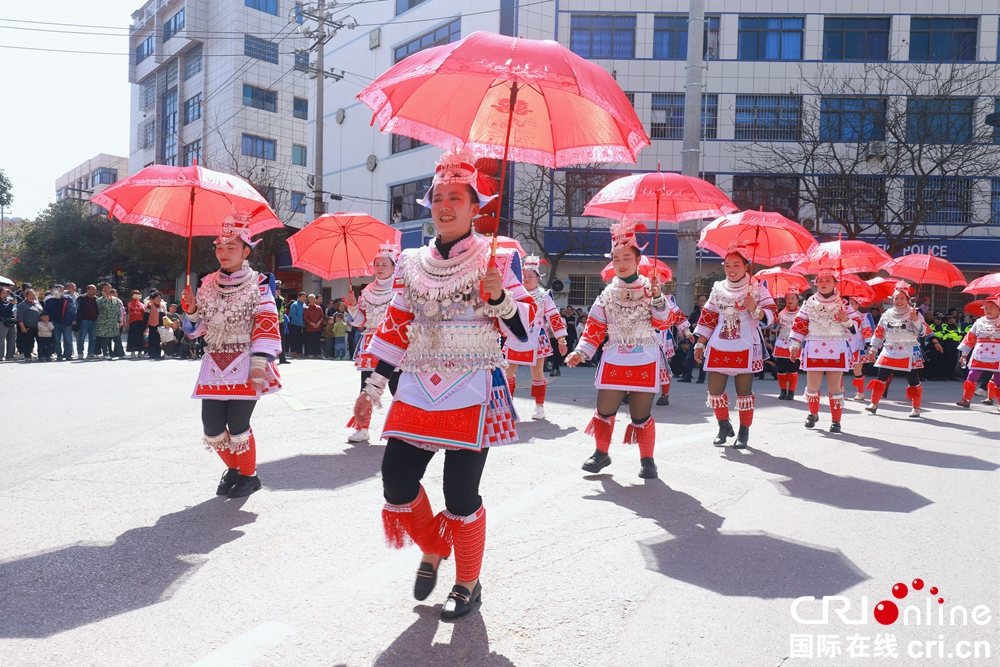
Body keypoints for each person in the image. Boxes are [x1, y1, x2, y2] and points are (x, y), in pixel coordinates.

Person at [351, 148, 534, 620]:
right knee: (395, 483)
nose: (445, 206)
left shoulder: (500, 257)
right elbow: (394, 328)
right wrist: (371, 389)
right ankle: (433, 546)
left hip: (475, 390)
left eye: (457, 197)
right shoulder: (411, 261)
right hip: (416, 388)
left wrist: (500, 298)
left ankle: (468, 584)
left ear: (477, 207)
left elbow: (524, 332)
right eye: (438, 198)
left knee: (460, 495)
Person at [180, 210, 282, 498]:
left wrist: (261, 361)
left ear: (246, 250)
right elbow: (196, 330)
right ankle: (236, 469)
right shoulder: (208, 283)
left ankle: (250, 476)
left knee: (238, 425)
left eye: (231, 247)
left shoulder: (261, 283)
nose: (223, 253)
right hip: (214, 361)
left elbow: (266, 322)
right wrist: (190, 309)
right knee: (212, 427)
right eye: (219, 248)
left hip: (246, 361)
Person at [566, 221, 672, 479]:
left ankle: (648, 460)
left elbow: (664, 322)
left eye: (627, 257)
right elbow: (594, 328)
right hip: (614, 357)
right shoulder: (606, 295)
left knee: (640, 415)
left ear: (638, 259)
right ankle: (601, 453)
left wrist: (658, 298)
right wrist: (580, 351)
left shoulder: (651, 289)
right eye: (616, 258)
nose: (621, 263)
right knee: (604, 409)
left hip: (645, 357)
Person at [693, 244, 777, 449]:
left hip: (746, 345)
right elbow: (709, 316)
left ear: (746, 266)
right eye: (727, 265)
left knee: (744, 392)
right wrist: (700, 343)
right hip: (719, 343)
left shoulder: (757, 287)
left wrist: (754, 308)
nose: (731, 269)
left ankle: (743, 432)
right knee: (714, 390)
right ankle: (723, 426)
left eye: (736, 265)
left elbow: (772, 316)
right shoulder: (718, 287)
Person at [788, 271, 861, 434]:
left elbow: (856, 327)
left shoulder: (844, 304)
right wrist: (795, 344)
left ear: (835, 283)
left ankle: (836, 420)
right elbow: (800, 323)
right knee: (812, 386)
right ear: (816, 283)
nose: (824, 283)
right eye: (821, 280)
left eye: (828, 280)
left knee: (834, 386)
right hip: (813, 347)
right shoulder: (808, 303)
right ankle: (813, 413)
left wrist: (846, 319)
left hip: (837, 348)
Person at [343, 242, 402, 443]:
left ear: (394, 267)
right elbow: (361, 322)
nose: (379, 268)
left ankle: (400, 428)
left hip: (394, 344)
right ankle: (362, 428)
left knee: (397, 388)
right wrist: (352, 307)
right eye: (377, 264)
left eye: (384, 264)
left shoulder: (400, 289)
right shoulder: (366, 291)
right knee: (366, 387)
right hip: (370, 344)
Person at [503, 255, 568, 420]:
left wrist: (561, 340)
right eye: (524, 276)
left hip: (537, 337)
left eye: (530, 276)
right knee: (507, 372)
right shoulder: (514, 294)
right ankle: (507, 404)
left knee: (537, 373)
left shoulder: (545, 296)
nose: (526, 279)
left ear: (538, 278)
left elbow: (554, 317)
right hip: (516, 335)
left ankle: (539, 406)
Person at [865, 282, 931, 418]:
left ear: (908, 300)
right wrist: (873, 348)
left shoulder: (915, 313)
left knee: (912, 379)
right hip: (889, 348)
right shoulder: (887, 314)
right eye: (896, 298)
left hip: (908, 350)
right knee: (881, 376)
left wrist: (916, 321)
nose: (899, 301)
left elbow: (922, 333)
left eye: (902, 298)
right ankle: (874, 403)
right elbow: (879, 332)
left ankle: (916, 407)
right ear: (892, 300)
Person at [956, 294, 1000, 411]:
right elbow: (970, 338)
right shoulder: (979, 322)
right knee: (971, 377)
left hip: (998, 355)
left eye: (992, 308)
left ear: (998, 309)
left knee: (999, 380)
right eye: (986, 308)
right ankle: (966, 399)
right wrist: (964, 354)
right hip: (979, 353)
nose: (988, 310)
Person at [654, 292, 693, 406]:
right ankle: (629, 392)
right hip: (637, 337)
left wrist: (686, 331)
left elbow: (677, 315)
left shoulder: (665, 299)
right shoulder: (634, 294)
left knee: (663, 366)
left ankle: (664, 394)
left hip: (660, 336)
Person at [771, 287, 801, 400]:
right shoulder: (781, 313)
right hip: (782, 342)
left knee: (793, 368)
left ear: (797, 299)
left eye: (793, 298)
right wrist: (775, 323)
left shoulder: (801, 313)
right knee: (781, 369)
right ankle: (783, 391)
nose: (790, 300)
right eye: (788, 298)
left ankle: (791, 392)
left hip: (795, 342)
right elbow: (774, 330)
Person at [849, 299, 876, 400]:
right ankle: (840, 388)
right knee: (839, 370)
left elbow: (867, 331)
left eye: (852, 303)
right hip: (843, 345)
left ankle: (860, 392)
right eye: (848, 303)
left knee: (857, 370)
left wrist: (869, 344)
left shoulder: (863, 317)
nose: (850, 305)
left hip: (858, 345)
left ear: (857, 305)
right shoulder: (841, 316)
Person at [680, 294, 709, 383]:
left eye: (704, 300)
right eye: (701, 300)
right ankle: (687, 376)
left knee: (702, 359)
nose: (702, 302)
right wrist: (693, 325)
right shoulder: (694, 313)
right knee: (690, 357)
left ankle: (701, 378)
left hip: (705, 338)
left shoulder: (709, 313)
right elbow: (688, 325)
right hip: (694, 338)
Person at [43, 284, 77, 361]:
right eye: (58, 289)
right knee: (57, 340)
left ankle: (68, 355)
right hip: (55, 323)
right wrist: (50, 320)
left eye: (61, 289)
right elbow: (47, 311)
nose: (59, 291)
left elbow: (73, 310)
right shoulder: (49, 300)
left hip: (67, 322)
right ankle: (59, 354)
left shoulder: (68, 299)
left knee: (68, 340)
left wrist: (74, 319)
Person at [96, 283, 124, 359]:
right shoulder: (99, 300)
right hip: (104, 323)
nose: (106, 289)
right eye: (105, 288)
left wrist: (119, 321)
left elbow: (118, 311)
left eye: (108, 288)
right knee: (105, 340)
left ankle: (120, 354)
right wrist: (105, 298)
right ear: (102, 289)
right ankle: (106, 353)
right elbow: (102, 307)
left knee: (117, 339)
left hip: (114, 323)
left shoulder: (115, 300)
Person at [76, 284, 100, 358]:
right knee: (81, 338)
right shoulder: (81, 298)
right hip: (85, 320)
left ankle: (91, 353)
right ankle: (80, 353)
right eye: (92, 289)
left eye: (95, 289)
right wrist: (82, 319)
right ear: (87, 290)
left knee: (93, 338)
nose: (94, 291)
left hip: (94, 321)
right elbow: (77, 309)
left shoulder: (97, 299)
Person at [145, 291, 166, 359]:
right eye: (157, 298)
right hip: (153, 325)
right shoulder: (150, 306)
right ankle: (151, 353)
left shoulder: (162, 307)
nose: (159, 299)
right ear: (153, 299)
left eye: (160, 298)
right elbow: (146, 316)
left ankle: (157, 354)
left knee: (158, 340)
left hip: (161, 326)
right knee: (152, 340)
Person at [126, 291, 146, 357]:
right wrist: (134, 300)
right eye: (135, 294)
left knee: (140, 337)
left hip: (141, 322)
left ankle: (140, 351)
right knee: (133, 337)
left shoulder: (142, 304)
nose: (137, 296)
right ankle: (132, 351)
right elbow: (132, 308)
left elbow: (144, 312)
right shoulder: (130, 303)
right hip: (133, 322)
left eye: (138, 295)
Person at [303, 294, 324, 358]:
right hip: (310, 328)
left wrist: (319, 322)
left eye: (314, 298)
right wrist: (312, 324)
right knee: (310, 341)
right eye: (312, 299)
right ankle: (310, 353)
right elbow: (305, 318)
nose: (313, 300)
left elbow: (322, 316)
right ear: (309, 300)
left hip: (318, 327)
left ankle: (317, 353)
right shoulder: (307, 309)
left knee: (317, 341)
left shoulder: (319, 308)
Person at [288, 292, 306, 357]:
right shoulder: (294, 304)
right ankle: (293, 352)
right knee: (295, 339)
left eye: (305, 297)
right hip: (295, 324)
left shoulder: (304, 305)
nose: (304, 298)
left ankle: (299, 352)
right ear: (299, 297)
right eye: (303, 296)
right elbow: (292, 314)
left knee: (301, 339)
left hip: (303, 325)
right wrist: (299, 321)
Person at [0, 288, 16, 360]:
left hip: (11, 321)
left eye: (6, 294)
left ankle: (10, 355)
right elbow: (2, 311)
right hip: (2, 321)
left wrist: (12, 293)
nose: (5, 295)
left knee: (12, 338)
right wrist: (10, 305)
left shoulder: (7, 301)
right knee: (1, 339)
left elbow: (18, 299)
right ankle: (0, 355)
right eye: (3, 293)